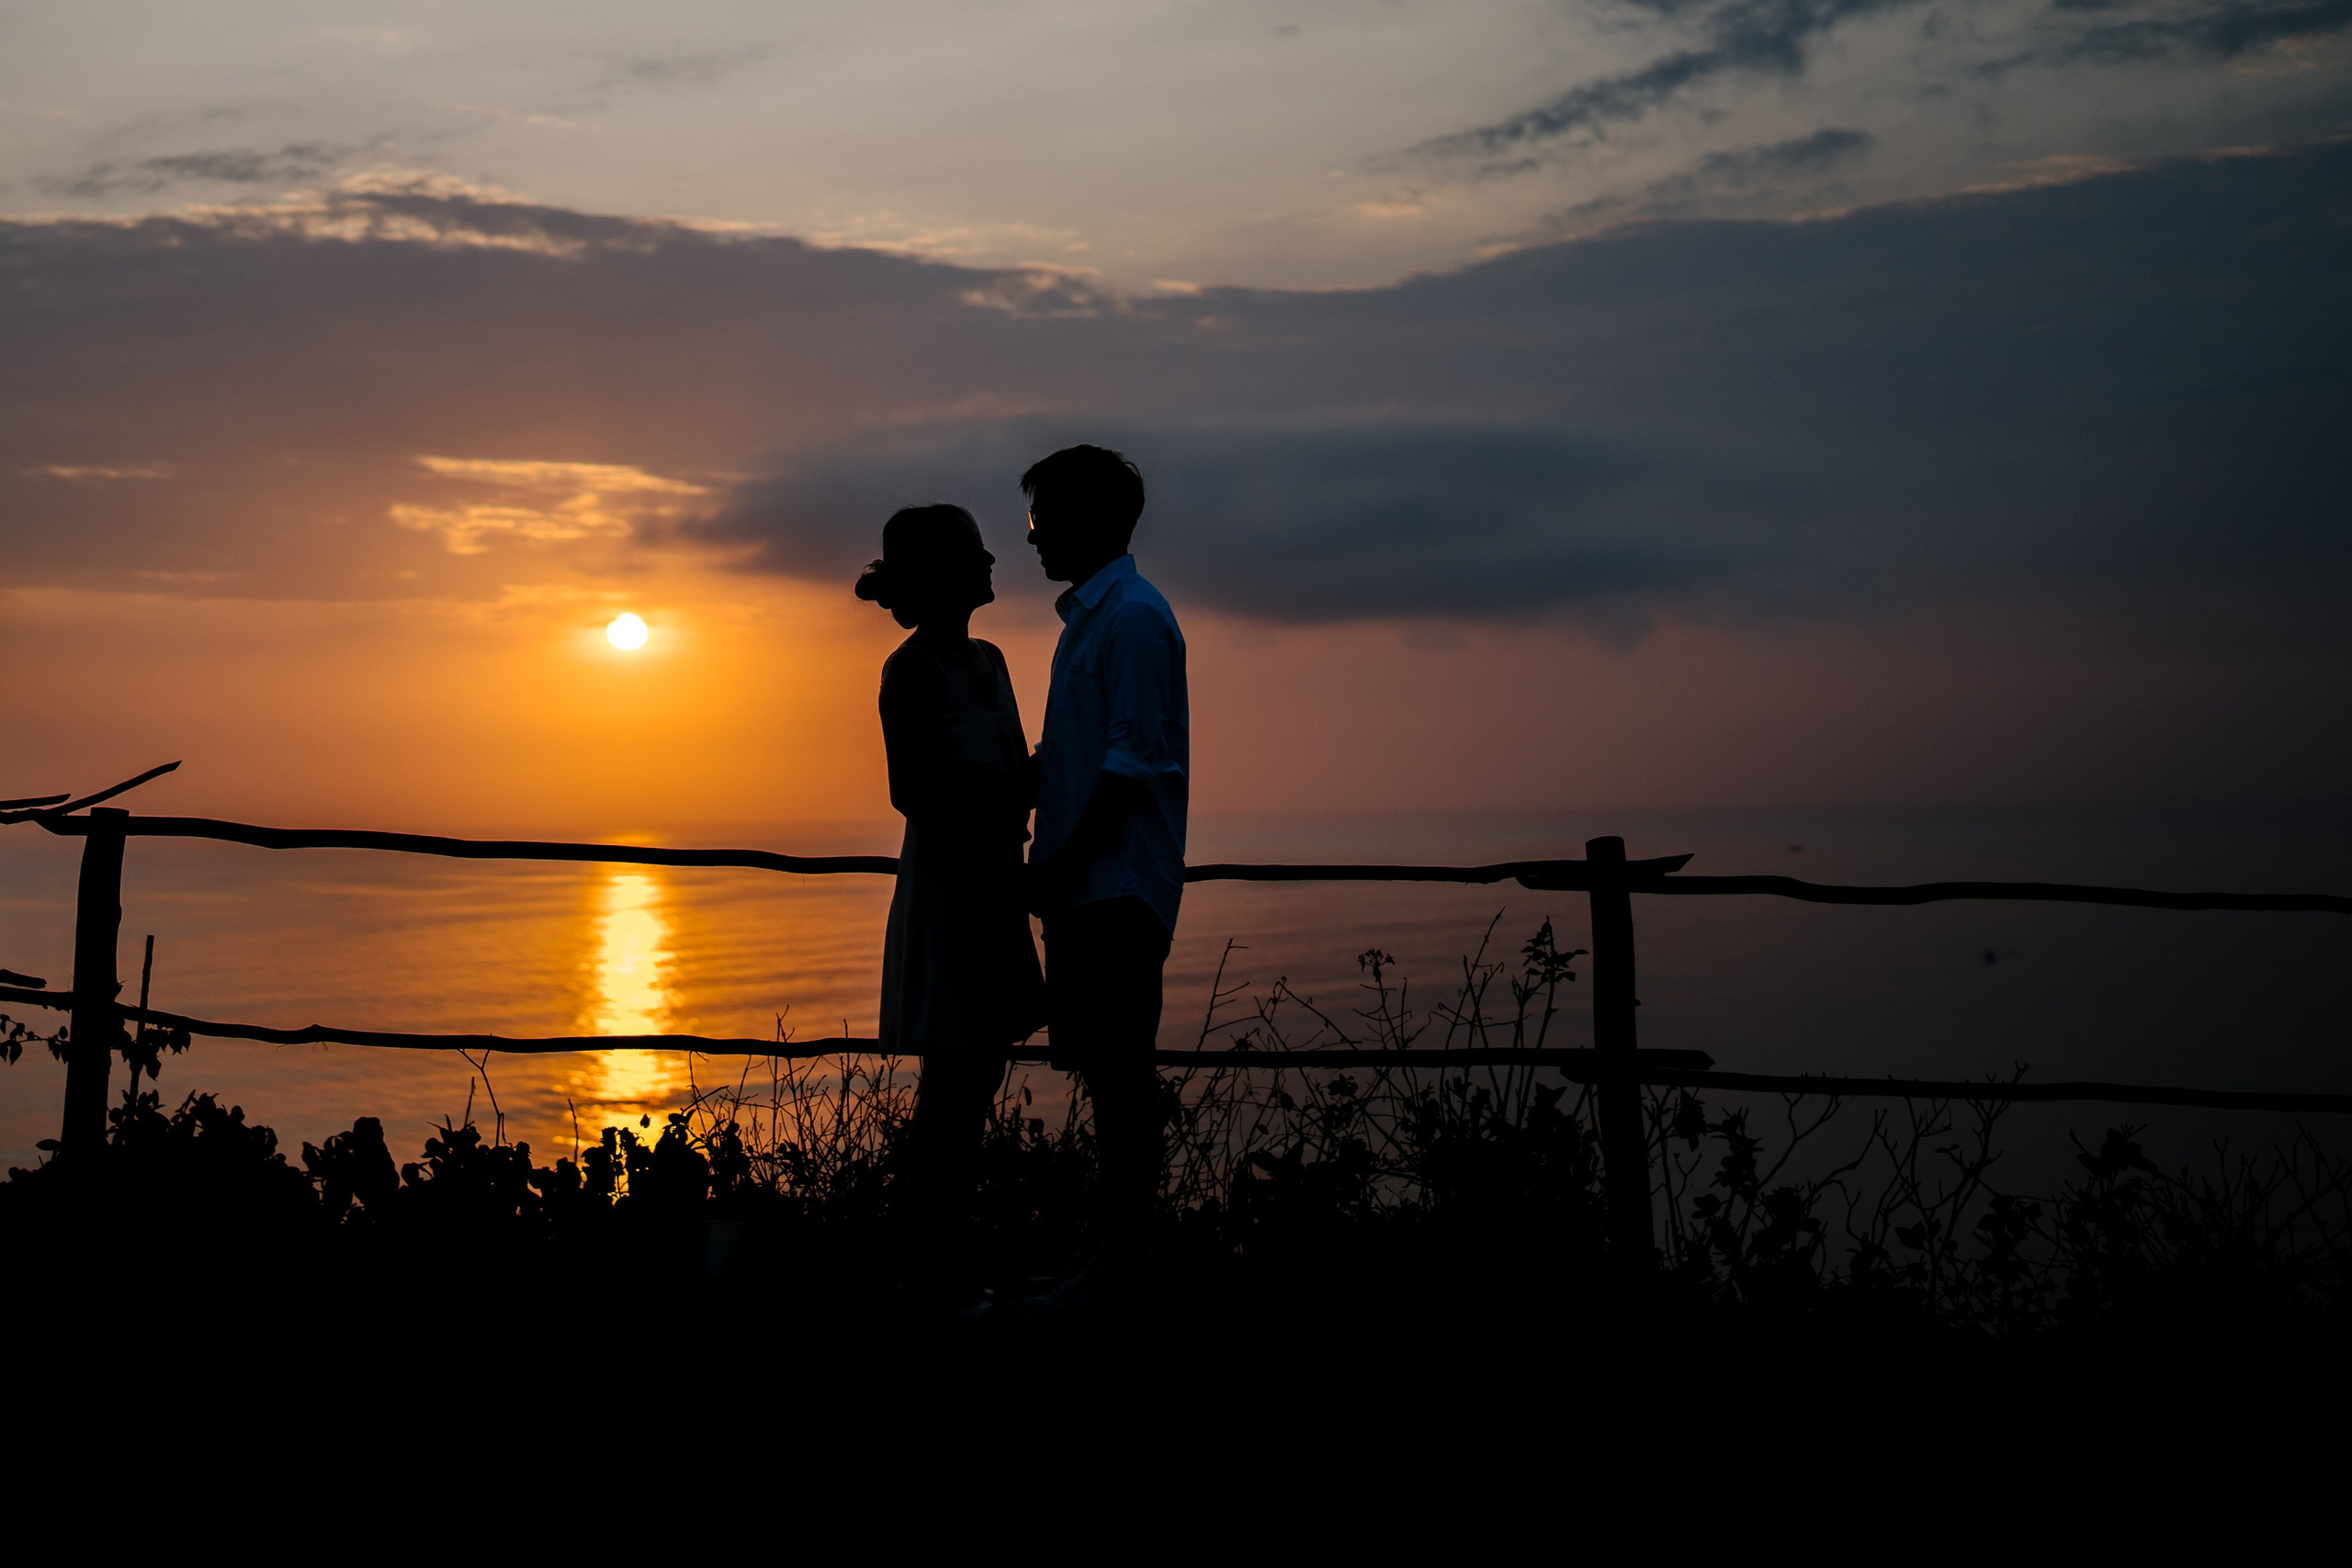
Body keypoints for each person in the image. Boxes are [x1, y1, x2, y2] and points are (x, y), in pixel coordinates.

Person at [855, 503, 1046, 1308]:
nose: (993, 560)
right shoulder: (911, 672)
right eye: (974, 553)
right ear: (940, 575)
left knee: (978, 1077)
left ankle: (943, 1258)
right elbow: (916, 794)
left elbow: (1010, 771)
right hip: (957, 890)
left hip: (996, 882)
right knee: (954, 1085)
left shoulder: (993, 658)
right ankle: (930, 1267)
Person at [1017, 445, 1189, 1318]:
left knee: (1121, 1078)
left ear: (1091, 519)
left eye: (1044, 517)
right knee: (1109, 1078)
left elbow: (1129, 765)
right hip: (1094, 884)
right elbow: (1084, 759)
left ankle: (1125, 1270)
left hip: (1113, 886)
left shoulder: (1129, 620)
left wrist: (1062, 865)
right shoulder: (1094, 619)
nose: (1034, 534)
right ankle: (1113, 1259)